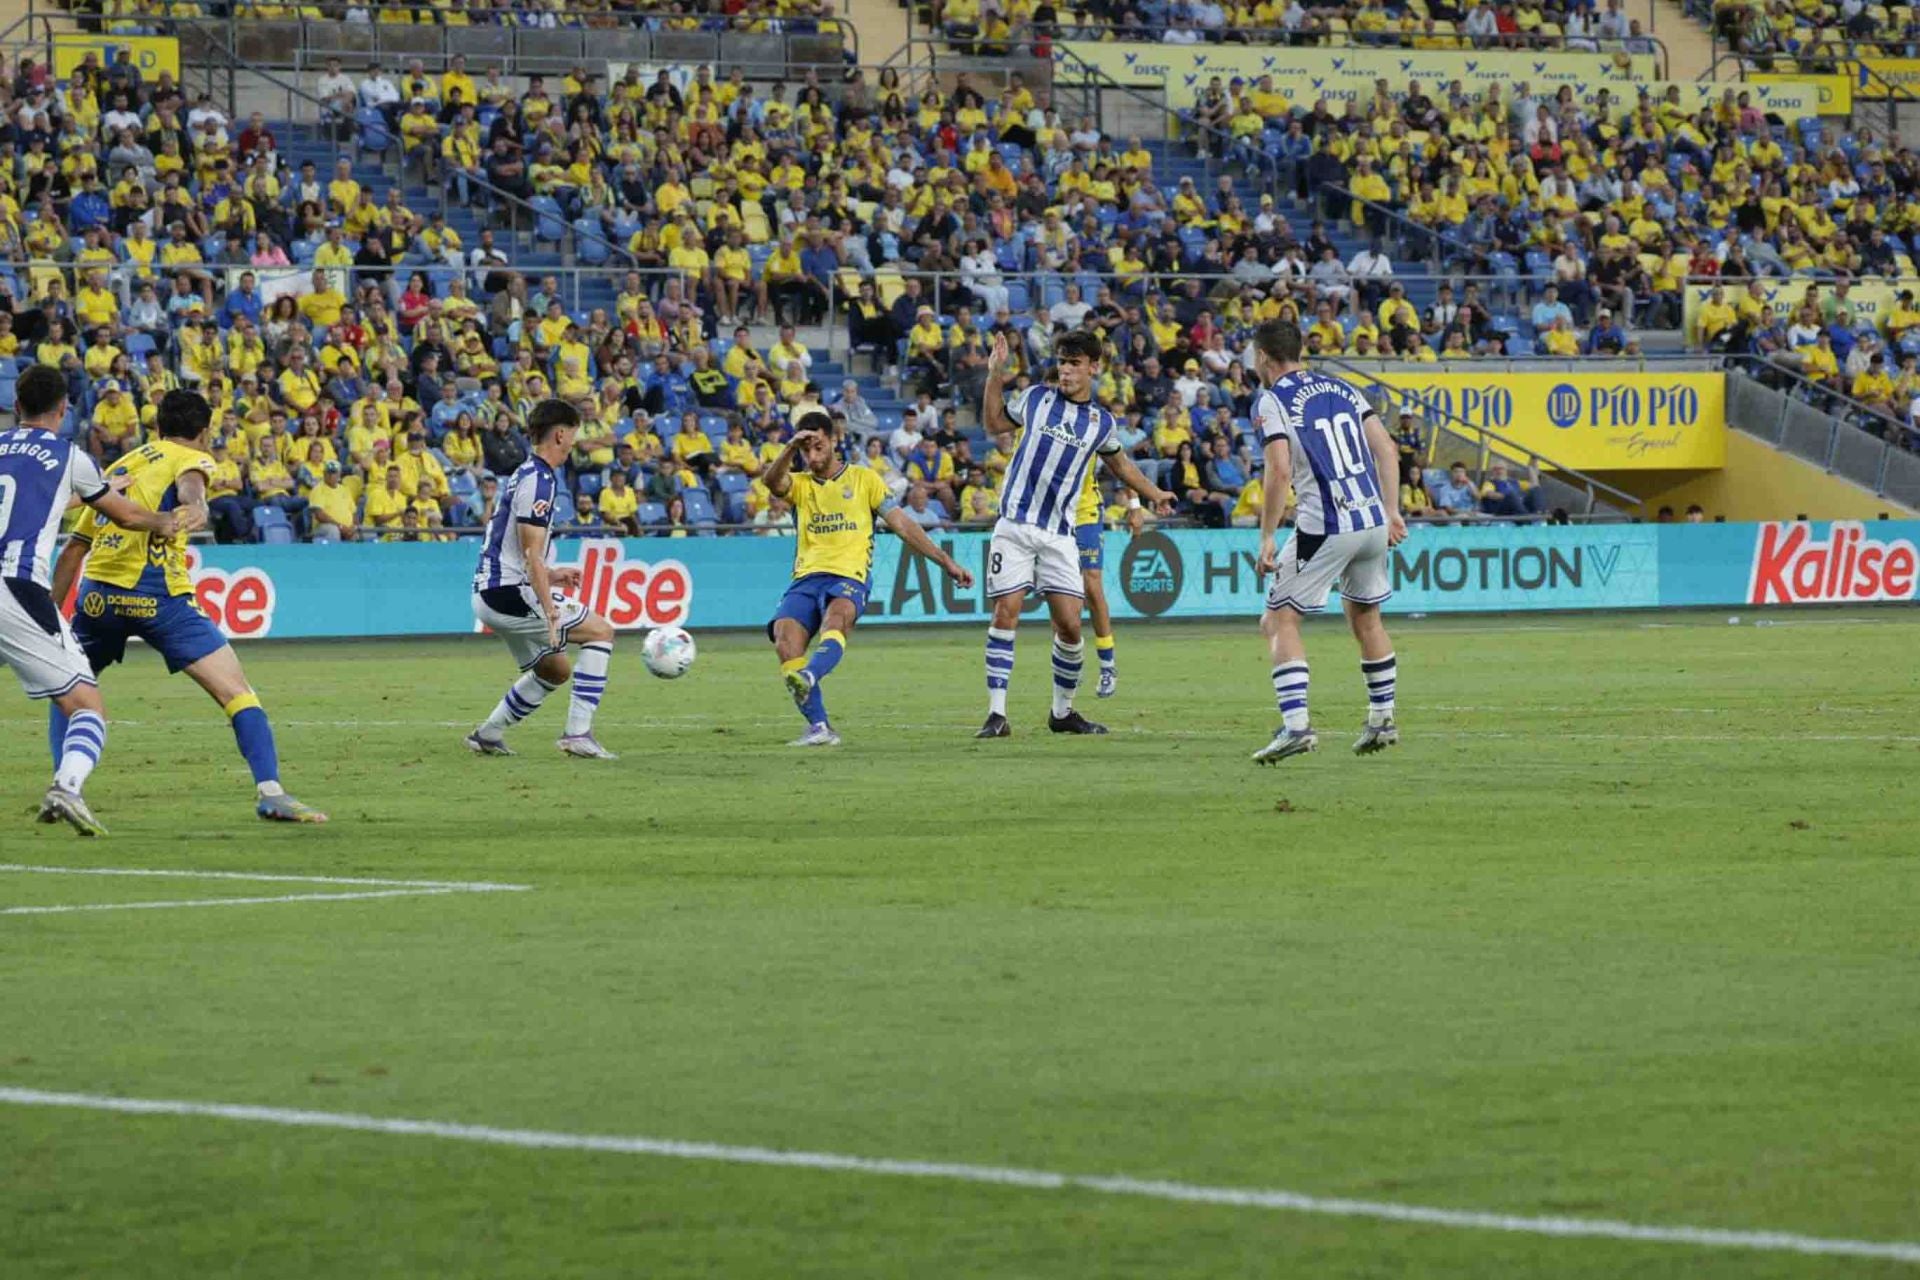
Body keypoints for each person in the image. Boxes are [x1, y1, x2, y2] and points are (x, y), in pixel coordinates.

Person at [53, 388, 326, 823]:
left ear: (158, 426)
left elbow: (74, 549)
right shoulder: (193, 459)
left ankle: (64, 784)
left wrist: (51, 614)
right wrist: (195, 506)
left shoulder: (122, 464)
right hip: (158, 599)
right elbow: (191, 487)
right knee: (237, 693)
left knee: (70, 690)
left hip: (98, 596)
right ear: (203, 432)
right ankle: (270, 791)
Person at [2, 366, 194, 835]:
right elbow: (126, 518)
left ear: (16, 406)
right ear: (64, 409)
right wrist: (164, 521)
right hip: (15, 587)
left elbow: (27, 499)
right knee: (86, 705)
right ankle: (67, 786)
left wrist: (88, 497)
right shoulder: (71, 457)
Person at [977, 331, 1173, 739]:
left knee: (1069, 625)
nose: (1065, 370)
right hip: (1014, 525)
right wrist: (995, 374)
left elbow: (1120, 467)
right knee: (1005, 612)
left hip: (1061, 534)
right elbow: (994, 424)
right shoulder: (1034, 399)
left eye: (1075, 363)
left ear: (1094, 368)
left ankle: (1062, 712)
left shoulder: (1101, 422)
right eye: (1062, 362)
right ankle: (996, 714)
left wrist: (1153, 495)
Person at [762, 409, 973, 748]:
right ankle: (819, 727)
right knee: (784, 640)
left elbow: (902, 525)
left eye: (818, 446)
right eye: (806, 450)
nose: (812, 456)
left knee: (837, 618)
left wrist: (944, 561)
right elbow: (772, 483)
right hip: (806, 576)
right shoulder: (799, 485)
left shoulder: (865, 479)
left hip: (849, 575)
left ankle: (810, 675)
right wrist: (789, 448)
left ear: (834, 441)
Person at [1248, 320, 1406, 763]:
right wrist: (1392, 510)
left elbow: (1278, 470)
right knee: (1366, 619)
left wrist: (1267, 535)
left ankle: (1296, 727)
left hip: (1328, 522)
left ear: (1262, 356)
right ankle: (1382, 719)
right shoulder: (1342, 388)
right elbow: (1387, 450)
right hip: (1372, 519)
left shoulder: (1271, 399)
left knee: (1278, 620)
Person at [464, 399, 622, 760]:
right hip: (508, 593)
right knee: (601, 632)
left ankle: (487, 734)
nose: (573, 444)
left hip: (491, 592)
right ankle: (578, 734)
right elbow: (532, 553)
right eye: (574, 435)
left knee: (555, 669)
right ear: (561, 434)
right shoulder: (540, 480)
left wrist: (551, 575)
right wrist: (550, 610)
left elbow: (518, 552)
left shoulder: (526, 474)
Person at [1071, 464, 1119, 699]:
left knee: (1091, 586)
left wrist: (1134, 505)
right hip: (1052, 517)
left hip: (1085, 511)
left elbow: (1120, 463)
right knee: (1061, 592)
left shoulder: (1093, 426)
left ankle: (1107, 665)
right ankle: (1070, 661)